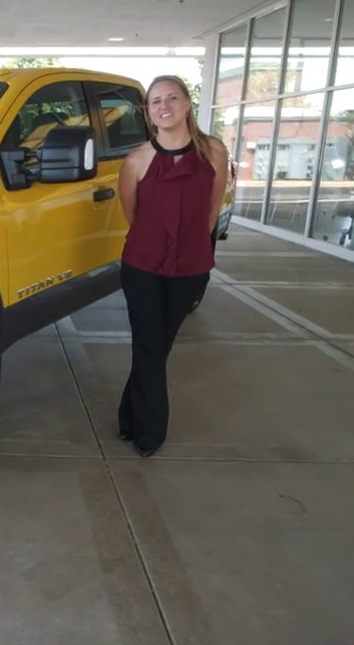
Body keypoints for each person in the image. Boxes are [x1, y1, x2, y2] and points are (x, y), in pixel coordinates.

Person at [116, 75, 230, 457]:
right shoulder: (137, 160)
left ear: (186, 104)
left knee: (159, 345)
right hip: (143, 265)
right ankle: (150, 433)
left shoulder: (213, 151)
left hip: (191, 267)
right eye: (154, 101)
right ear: (148, 113)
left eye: (171, 98)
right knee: (148, 344)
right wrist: (158, 243)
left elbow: (212, 209)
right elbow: (133, 214)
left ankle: (128, 415)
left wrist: (189, 246)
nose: (163, 106)